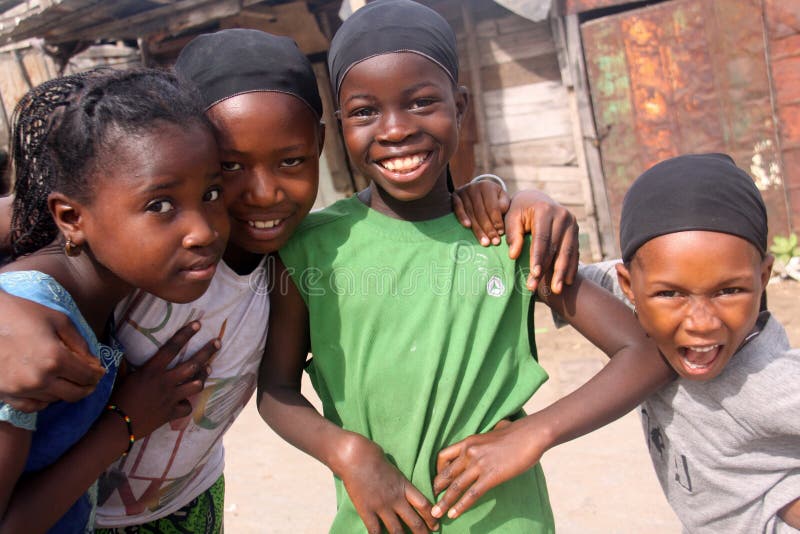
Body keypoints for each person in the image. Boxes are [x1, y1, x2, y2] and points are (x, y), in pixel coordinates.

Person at [0, 28, 579, 532]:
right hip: (87, 514)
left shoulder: (293, 259)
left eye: (291, 161)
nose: (262, 193)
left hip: (191, 498)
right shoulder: (156, 257)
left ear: (319, 146)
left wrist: (500, 189)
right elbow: (46, 227)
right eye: (227, 170)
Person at [257, 1, 674, 532]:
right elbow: (275, 391)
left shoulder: (508, 237)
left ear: (460, 106)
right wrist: (349, 454)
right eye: (365, 112)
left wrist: (534, 433)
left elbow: (644, 352)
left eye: (422, 102)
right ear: (339, 126)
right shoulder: (312, 250)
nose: (395, 130)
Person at [436, 153, 800, 533]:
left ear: (764, 277)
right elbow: (542, 267)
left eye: (730, 291)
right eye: (670, 295)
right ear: (629, 286)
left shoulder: (771, 384)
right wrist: (517, 197)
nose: (701, 323)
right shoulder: (632, 295)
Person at [0, 68, 226, 533]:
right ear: (70, 217)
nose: (204, 231)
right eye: (160, 205)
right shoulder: (29, 335)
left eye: (211, 193)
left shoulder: (97, 294)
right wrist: (125, 423)